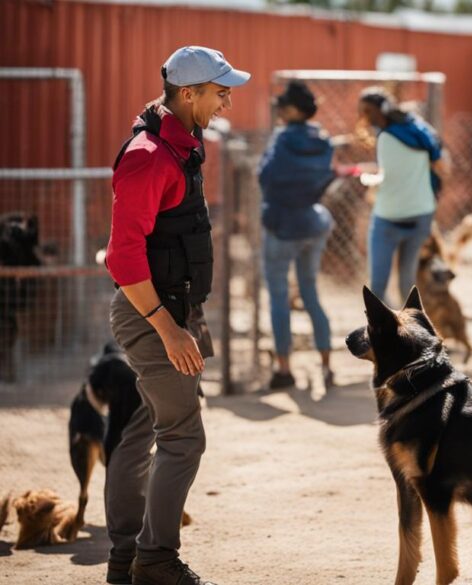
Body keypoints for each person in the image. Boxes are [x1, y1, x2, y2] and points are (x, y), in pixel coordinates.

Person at [104, 46, 249, 585]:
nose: (227, 98)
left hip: (174, 309)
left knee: (145, 428)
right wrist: (168, 330)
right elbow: (124, 256)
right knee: (184, 438)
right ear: (187, 94)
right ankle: (155, 562)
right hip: (153, 315)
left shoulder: (180, 145)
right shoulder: (148, 154)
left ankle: (125, 560)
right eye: (219, 89)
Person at [258, 80, 336, 390]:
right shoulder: (323, 140)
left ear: (292, 110)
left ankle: (284, 369)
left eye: (282, 106)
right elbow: (324, 178)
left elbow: (266, 177)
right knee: (310, 293)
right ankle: (328, 367)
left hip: (281, 224)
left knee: (278, 297)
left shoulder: (282, 138)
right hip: (313, 221)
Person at [357, 86, 447, 306]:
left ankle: (388, 329)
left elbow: (388, 177)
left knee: (377, 287)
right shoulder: (417, 130)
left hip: (389, 216)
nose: (363, 117)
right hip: (421, 214)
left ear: (377, 112)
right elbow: (438, 166)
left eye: (365, 111)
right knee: (407, 283)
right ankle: (411, 330)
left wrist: (368, 179)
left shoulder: (386, 137)